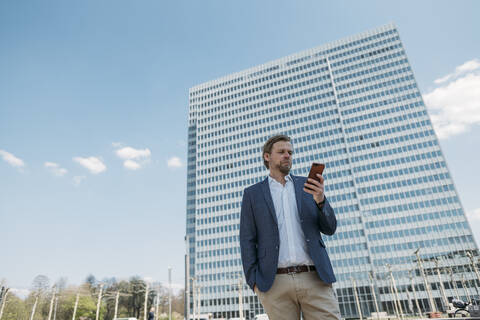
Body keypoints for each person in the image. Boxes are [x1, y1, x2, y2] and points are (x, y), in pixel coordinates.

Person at [240, 134, 341, 320]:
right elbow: (247, 240)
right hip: (275, 283)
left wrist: (320, 200)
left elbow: (330, 228)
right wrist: (253, 281)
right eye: (281, 152)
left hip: (315, 278)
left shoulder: (308, 186)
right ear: (267, 156)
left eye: (290, 152)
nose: (287, 155)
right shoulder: (252, 194)